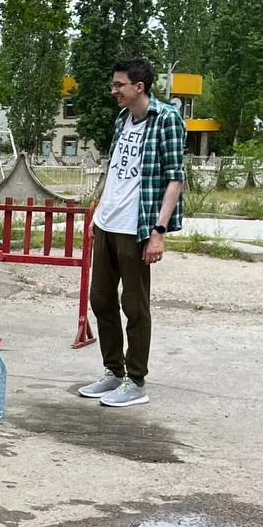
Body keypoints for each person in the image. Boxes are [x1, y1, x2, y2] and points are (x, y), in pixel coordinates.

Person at [78, 56, 185, 408]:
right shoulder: (123, 118)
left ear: (139, 87)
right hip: (108, 222)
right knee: (100, 299)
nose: (114, 91)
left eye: (119, 85)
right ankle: (113, 371)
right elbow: (115, 169)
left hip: (136, 227)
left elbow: (174, 178)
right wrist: (97, 209)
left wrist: (158, 231)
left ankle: (136, 379)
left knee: (134, 305)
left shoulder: (167, 119)